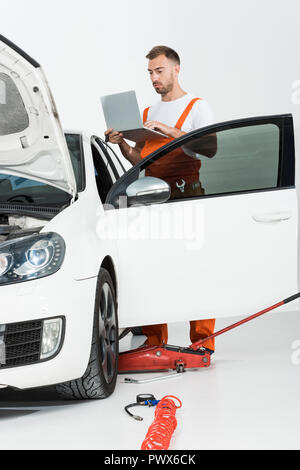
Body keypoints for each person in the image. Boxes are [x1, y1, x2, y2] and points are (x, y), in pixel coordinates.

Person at [105, 45, 216, 353]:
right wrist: (121, 144)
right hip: (150, 197)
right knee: (152, 270)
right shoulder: (146, 113)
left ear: (176, 69)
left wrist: (169, 129)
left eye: (160, 71)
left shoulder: (196, 106)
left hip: (188, 195)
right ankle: (154, 343)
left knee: (196, 269)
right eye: (150, 73)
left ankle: (203, 344)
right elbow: (138, 161)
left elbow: (210, 148)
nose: (154, 78)